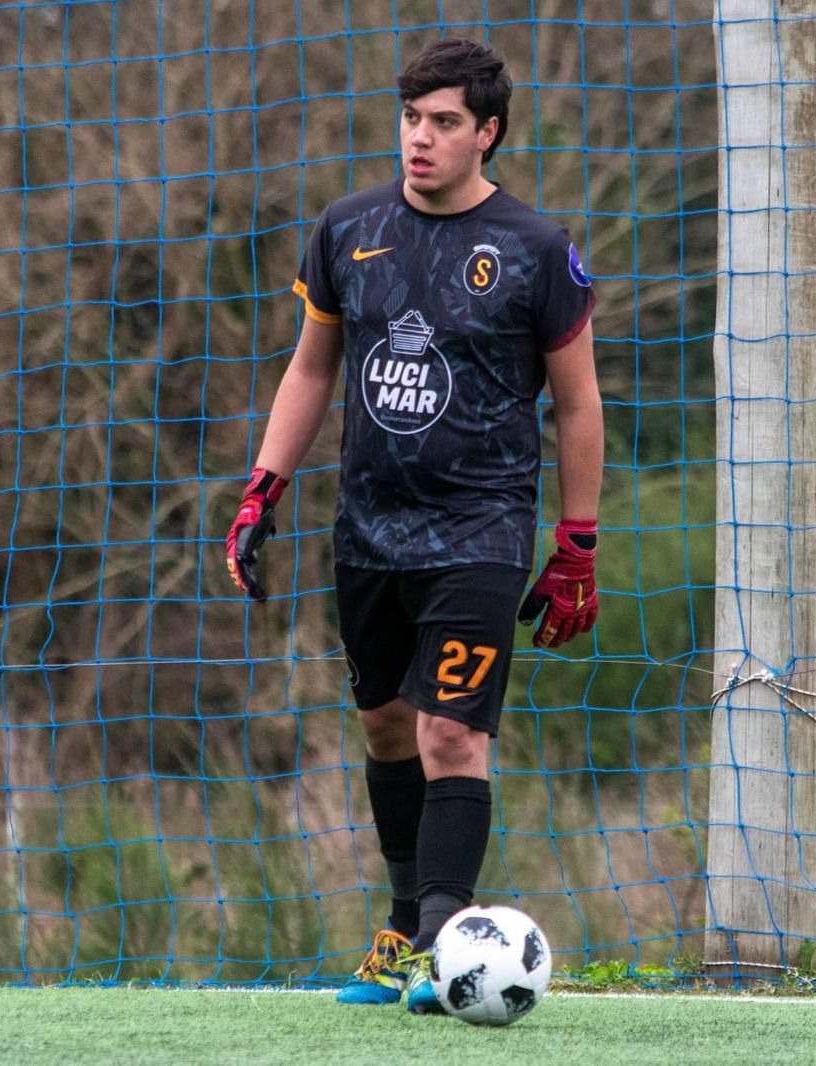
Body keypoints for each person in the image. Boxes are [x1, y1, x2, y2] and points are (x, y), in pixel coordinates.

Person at [226, 37, 603, 1013]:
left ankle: (443, 945)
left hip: (481, 529)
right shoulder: (348, 228)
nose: (419, 137)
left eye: (443, 121)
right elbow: (311, 368)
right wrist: (262, 490)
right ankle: (404, 926)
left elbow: (578, 404)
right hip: (368, 530)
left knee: (451, 733)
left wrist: (576, 543)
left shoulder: (534, 249)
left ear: (488, 132)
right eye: (410, 118)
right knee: (387, 725)